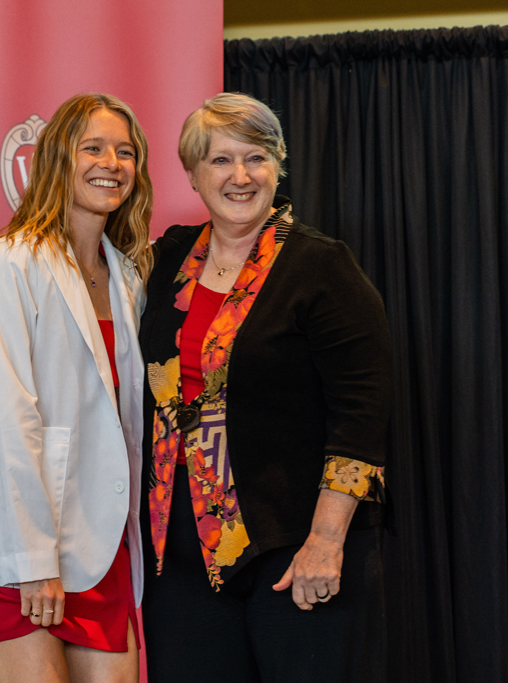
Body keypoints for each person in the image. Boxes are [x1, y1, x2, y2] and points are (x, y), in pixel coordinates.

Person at [138, 92, 393, 682]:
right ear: (193, 174)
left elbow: (363, 412)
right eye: (221, 161)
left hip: (294, 547)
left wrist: (326, 542)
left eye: (256, 157)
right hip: (181, 558)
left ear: (279, 165)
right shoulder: (167, 258)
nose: (241, 176)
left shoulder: (322, 266)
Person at [0, 93, 153, 683]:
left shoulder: (130, 276)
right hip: (22, 552)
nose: (111, 162)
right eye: (93, 148)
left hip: (102, 545)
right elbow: (5, 420)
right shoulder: (10, 262)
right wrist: (33, 558)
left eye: (126, 151)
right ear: (58, 158)